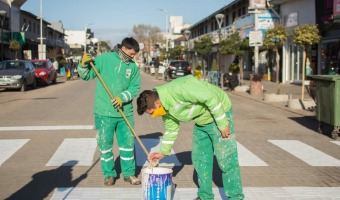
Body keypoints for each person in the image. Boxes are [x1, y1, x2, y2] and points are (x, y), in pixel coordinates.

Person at [136, 75, 244, 200]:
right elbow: (171, 130)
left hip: (220, 112)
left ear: (157, 103)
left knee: (226, 158)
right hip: (202, 120)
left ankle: (236, 196)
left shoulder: (179, 89)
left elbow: (211, 98)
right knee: (200, 158)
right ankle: (205, 196)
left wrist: (223, 123)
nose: (153, 116)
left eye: (152, 113)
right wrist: (163, 152)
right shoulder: (165, 108)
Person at [77, 37, 141, 186]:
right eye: (131, 54)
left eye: (135, 55)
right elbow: (86, 75)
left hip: (125, 113)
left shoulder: (133, 67)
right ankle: (109, 174)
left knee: (127, 145)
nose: (133, 57)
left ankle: (129, 174)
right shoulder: (104, 59)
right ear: (123, 49)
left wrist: (122, 98)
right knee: (105, 146)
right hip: (104, 113)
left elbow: (135, 88)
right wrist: (82, 65)